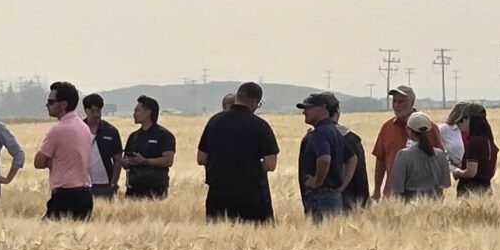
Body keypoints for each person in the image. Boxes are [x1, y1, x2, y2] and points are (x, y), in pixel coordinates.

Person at [196, 81, 280, 222]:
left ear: (237, 97)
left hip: (218, 193)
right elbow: (270, 164)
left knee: (218, 239)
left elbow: (201, 158)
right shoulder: (261, 126)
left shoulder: (214, 122)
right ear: (255, 102)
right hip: (251, 195)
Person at [34, 81, 98, 220]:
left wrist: (52, 161)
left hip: (65, 195)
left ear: (63, 104)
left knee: (50, 237)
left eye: (51, 102)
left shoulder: (58, 129)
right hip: (85, 194)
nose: (47, 105)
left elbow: (38, 162)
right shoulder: (84, 127)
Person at [296, 91, 348, 220]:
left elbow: (324, 159)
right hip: (334, 195)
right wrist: (341, 185)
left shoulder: (320, 133)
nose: (304, 112)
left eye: (308, 108)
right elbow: (352, 159)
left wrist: (317, 182)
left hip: (321, 197)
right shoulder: (335, 131)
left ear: (322, 109)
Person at [389, 112, 454, 199]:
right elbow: (444, 184)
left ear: (409, 131)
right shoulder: (440, 155)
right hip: (435, 204)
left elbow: (396, 188)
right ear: (429, 131)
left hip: (409, 205)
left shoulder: (403, 155)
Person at [120, 96, 176, 199]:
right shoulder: (134, 136)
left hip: (155, 188)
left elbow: (168, 161)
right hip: (134, 187)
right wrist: (126, 162)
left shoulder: (164, 135)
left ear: (148, 112)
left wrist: (144, 161)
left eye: (137, 111)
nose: (134, 114)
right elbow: (124, 161)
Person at [371, 85, 418, 197]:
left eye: (401, 102)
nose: (397, 106)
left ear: (412, 103)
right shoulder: (387, 127)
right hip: (391, 194)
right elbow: (380, 160)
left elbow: (438, 158)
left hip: (420, 194)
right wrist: (377, 190)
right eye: (394, 101)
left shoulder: (427, 127)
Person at [82, 93, 124, 198]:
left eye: (99, 111)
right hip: (82, 184)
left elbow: (118, 159)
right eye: (92, 111)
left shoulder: (111, 131)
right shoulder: (78, 129)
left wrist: (113, 184)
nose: (96, 114)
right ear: (86, 111)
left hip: (105, 185)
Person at [454, 105, 498, 195]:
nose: (460, 123)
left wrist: (458, 172)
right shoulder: (489, 141)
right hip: (486, 188)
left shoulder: (474, 141)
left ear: (470, 120)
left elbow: (471, 172)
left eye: (462, 120)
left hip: (471, 189)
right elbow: (492, 171)